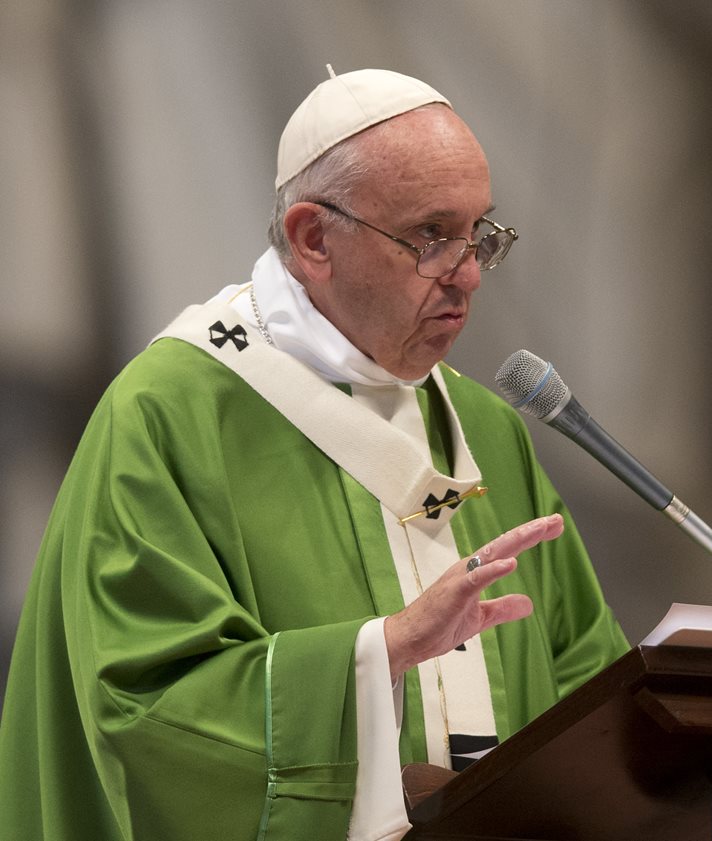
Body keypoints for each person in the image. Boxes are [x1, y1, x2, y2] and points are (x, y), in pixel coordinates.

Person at [0, 67, 629, 841]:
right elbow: (141, 708)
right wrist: (378, 655)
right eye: (432, 236)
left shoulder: (483, 427)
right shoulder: (171, 413)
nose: (467, 273)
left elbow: (587, 686)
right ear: (313, 238)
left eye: (480, 236)